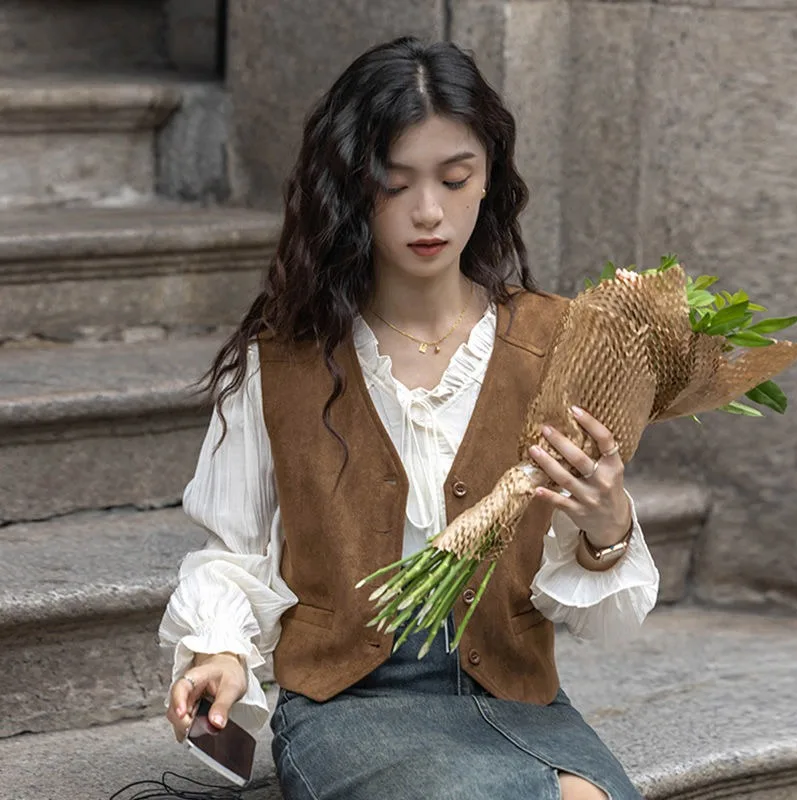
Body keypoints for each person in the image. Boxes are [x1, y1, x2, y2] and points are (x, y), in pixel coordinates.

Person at [160, 36, 659, 800]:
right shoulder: (286, 360)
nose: (429, 211)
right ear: (350, 188)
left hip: (517, 697)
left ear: (489, 176)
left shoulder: (560, 345)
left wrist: (606, 524)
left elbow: (607, 615)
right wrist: (220, 652)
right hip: (349, 704)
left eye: (455, 178)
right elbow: (232, 551)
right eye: (394, 183)